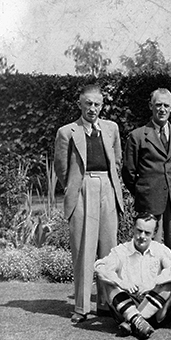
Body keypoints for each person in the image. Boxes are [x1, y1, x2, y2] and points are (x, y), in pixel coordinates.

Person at [54, 84, 124, 323]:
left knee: (109, 247)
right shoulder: (67, 132)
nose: (93, 109)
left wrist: (111, 186)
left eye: (97, 104)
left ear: (102, 105)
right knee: (84, 248)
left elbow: (117, 160)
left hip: (107, 187)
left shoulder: (111, 128)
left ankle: (107, 303)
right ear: (80, 105)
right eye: (88, 104)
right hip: (83, 187)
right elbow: (61, 168)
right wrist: (75, 186)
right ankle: (82, 307)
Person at [122, 88, 171, 310]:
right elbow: (129, 172)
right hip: (149, 199)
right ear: (151, 106)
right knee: (152, 248)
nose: (162, 109)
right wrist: (143, 190)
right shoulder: (137, 136)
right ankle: (152, 294)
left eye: (166, 105)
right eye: (158, 105)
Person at [94, 213, 171, 340]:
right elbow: (100, 267)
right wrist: (121, 283)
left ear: (154, 233)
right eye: (139, 231)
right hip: (128, 305)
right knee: (108, 282)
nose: (142, 236)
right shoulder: (121, 250)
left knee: (170, 283)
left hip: (155, 307)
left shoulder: (160, 249)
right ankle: (136, 320)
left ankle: (133, 322)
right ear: (133, 229)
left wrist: (154, 282)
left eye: (147, 233)